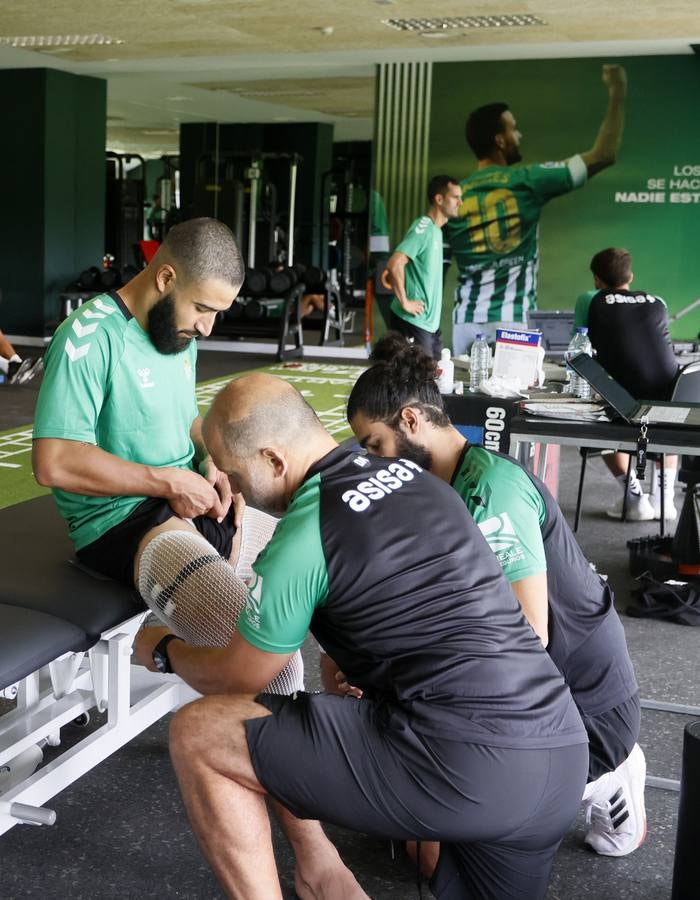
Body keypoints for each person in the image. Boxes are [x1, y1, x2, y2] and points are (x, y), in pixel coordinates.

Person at [134, 372, 588, 900]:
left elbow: (240, 675)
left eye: (234, 475)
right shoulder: (420, 481)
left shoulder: (305, 535)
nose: (231, 490)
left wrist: (165, 650)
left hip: (466, 767)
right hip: (558, 753)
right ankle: (321, 875)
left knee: (201, 733)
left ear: (274, 461)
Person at [345, 333, 646, 865]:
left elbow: (529, 634)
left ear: (411, 422)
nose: (370, 462)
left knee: (434, 852)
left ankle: (608, 777)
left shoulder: (491, 493)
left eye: (373, 445)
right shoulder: (436, 485)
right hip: (529, 693)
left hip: (584, 708)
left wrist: (410, 676)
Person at [32, 217, 248, 590]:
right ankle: (158, 648)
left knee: (308, 578)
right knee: (223, 611)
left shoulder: (178, 332)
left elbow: (185, 416)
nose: (207, 328)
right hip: (119, 518)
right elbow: (54, 462)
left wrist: (210, 460)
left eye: (217, 313)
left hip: (186, 494)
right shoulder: (90, 337)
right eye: (201, 308)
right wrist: (168, 484)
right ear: (165, 279)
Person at [444, 64, 627, 356]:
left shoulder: (455, 195)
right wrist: (617, 90)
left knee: (466, 398)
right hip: (514, 321)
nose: (520, 135)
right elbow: (604, 155)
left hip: (465, 322)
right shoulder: (527, 180)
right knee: (515, 400)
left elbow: (438, 263)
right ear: (499, 141)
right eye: (513, 129)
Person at [575, 247, 680, 521]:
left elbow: (580, 348)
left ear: (597, 279)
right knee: (667, 422)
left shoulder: (590, 299)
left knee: (596, 413)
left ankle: (634, 499)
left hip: (622, 403)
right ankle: (665, 500)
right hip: (670, 401)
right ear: (630, 275)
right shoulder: (658, 300)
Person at [382, 175, 462, 359]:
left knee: (434, 379)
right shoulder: (424, 227)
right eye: (456, 197)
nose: (460, 202)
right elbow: (394, 264)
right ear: (439, 199)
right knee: (414, 381)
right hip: (413, 322)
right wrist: (405, 302)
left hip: (429, 326)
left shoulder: (436, 231)